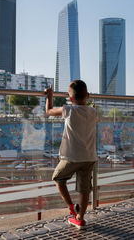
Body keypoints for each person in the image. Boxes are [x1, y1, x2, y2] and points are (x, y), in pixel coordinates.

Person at [44, 80, 97, 230]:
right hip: (89, 157)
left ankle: (72, 208)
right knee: (84, 188)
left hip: (71, 157)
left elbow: (49, 111)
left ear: (70, 98)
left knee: (58, 178)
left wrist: (49, 96)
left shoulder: (68, 110)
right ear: (88, 95)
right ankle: (80, 219)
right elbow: (91, 113)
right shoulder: (94, 112)